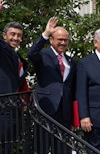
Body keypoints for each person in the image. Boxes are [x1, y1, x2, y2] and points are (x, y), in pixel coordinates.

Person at [0, 0, 29, 154]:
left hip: (14, 106)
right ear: (4, 36)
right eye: (12, 34)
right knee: (2, 146)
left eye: (19, 35)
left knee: (10, 145)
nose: (16, 38)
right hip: (0, 104)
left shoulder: (18, 57)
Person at [27, 17, 76, 154]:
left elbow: (72, 88)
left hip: (64, 113)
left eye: (65, 40)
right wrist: (45, 33)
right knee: (42, 147)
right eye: (60, 39)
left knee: (63, 149)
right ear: (51, 40)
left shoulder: (70, 61)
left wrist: (75, 115)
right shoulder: (43, 55)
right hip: (46, 109)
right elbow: (31, 53)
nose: (63, 42)